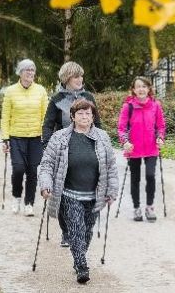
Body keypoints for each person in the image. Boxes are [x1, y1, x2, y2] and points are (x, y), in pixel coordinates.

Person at [38, 99, 118, 284]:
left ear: (93, 117)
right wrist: (45, 184)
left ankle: (79, 255)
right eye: (80, 113)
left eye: (88, 113)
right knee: (76, 229)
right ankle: (81, 265)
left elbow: (111, 166)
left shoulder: (102, 137)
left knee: (87, 231)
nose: (84, 116)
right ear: (72, 117)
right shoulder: (60, 137)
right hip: (69, 194)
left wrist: (111, 191)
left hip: (94, 196)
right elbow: (47, 165)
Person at [42, 61, 101, 248]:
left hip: (86, 149)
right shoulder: (57, 99)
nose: (80, 79)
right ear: (67, 78)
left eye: (81, 76)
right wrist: (46, 147)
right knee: (61, 191)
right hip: (63, 149)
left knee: (86, 191)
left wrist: (100, 143)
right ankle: (67, 231)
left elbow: (97, 124)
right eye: (76, 76)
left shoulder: (88, 96)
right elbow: (48, 125)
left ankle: (82, 226)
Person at [0, 58, 48, 216]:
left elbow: (45, 116)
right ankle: (16, 197)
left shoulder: (41, 90)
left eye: (32, 70)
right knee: (19, 169)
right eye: (27, 70)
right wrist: (5, 138)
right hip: (16, 137)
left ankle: (29, 203)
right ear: (20, 73)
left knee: (32, 171)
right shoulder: (11, 91)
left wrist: (46, 136)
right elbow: (5, 116)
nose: (30, 73)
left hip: (35, 137)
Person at [117, 76, 166, 222]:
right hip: (134, 148)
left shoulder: (155, 105)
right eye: (138, 86)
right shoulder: (128, 106)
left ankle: (150, 207)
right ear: (133, 90)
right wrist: (125, 141)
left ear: (149, 89)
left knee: (150, 176)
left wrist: (160, 138)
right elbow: (122, 128)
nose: (141, 89)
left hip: (151, 147)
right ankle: (136, 208)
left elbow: (160, 126)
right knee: (135, 179)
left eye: (144, 86)